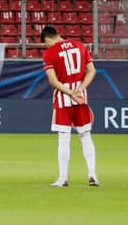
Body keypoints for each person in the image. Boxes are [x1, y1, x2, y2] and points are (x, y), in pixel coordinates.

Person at [40, 25, 99, 187]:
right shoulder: (79, 46)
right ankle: (93, 175)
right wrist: (80, 89)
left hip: (64, 97)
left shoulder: (50, 53)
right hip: (81, 96)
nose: (47, 46)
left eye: (46, 43)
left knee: (64, 137)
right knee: (85, 135)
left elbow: (53, 81)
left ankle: (63, 178)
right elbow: (92, 71)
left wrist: (70, 93)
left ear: (48, 39)